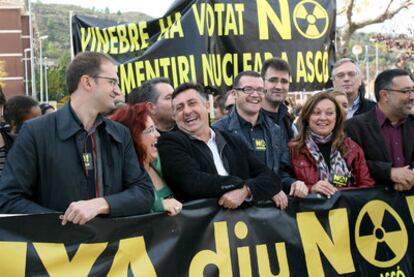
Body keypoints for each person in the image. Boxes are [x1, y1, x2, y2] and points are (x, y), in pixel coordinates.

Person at [0, 52, 154, 224]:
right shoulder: (35, 132)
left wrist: (100, 205)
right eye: (112, 82)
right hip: (59, 248)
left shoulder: (120, 134)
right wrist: (64, 223)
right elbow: (8, 199)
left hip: (113, 247)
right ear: (87, 82)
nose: (118, 91)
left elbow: (144, 192)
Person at [158, 83, 281, 208]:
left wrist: (246, 191)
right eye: (179, 108)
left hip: (244, 225)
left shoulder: (233, 141)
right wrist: (244, 185)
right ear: (174, 116)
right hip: (201, 225)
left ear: (207, 106)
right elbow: (192, 182)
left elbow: (271, 178)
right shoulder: (168, 143)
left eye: (192, 103)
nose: (187, 111)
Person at [214, 71, 308, 208]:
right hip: (234, 214)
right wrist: (261, 189)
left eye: (260, 90)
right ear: (234, 94)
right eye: (248, 89)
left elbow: (281, 172)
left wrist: (293, 183)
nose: (255, 95)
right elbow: (222, 175)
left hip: (271, 214)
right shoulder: (218, 131)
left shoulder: (275, 130)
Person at [289, 92, 374, 197]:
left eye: (329, 113)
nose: (323, 118)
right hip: (307, 212)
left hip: (347, 211)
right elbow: (286, 184)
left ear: (336, 117)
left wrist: (337, 192)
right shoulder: (293, 149)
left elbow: (367, 186)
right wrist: (312, 188)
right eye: (316, 113)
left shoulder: (352, 148)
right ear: (307, 116)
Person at [345, 69, 414, 191]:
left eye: (413, 90)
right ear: (385, 95)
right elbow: (347, 170)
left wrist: (409, 177)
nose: (412, 96)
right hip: (370, 206)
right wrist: (389, 173)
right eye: (406, 91)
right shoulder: (354, 127)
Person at [111, 103, 182, 216]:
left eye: (155, 128)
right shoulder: (120, 176)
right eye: (150, 130)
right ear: (133, 137)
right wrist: (159, 205)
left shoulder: (159, 161)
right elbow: (122, 205)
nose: (158, 134)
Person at [261, 58, 297, 144]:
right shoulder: (250, 119)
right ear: (262, 82)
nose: (279, 87)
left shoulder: (289, 123)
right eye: (273, 80)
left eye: (284, 81)